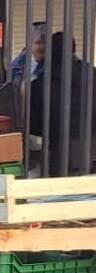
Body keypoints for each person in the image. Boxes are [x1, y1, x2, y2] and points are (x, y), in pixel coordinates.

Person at [30, 32, 96, 177]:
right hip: (92, 152)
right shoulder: (92, 76)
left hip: (60, 154)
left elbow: (33, 125)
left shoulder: (39, 85)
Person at [12, 23, 47, 87]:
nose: (42, 47)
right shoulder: (17, 64)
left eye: (45, 43)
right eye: (38, 43)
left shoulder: (54, 66)